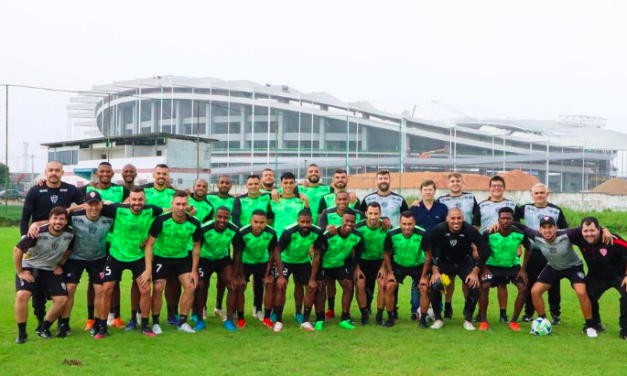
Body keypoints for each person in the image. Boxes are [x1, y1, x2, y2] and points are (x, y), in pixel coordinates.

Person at [513, 216, 609, 338]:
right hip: (553, 267)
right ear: (540, 229)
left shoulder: (567, 234)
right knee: (535, 291)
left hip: (573, 267)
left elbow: (588, 227)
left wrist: (604, 229)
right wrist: (500, 222)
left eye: (550, 227)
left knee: (581, 292)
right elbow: (522, 226)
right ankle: (543, 321)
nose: (547, 230)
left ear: (556, 228)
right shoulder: (536, 236)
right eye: (544, 227)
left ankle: (590, 326)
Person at [20, 161, 84, 333]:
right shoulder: (35, 190)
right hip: (38, 241)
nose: (54, 173)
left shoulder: (70, 189)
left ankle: (63, 323)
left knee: (64, 286)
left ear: (62, 173)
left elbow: (85, 204)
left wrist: (69, 210)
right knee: (37, 288)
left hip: (62, 243)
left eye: (57, 170)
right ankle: (41, 321)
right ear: (45, 172)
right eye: (51, 170)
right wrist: (25, 239)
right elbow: (25, 216)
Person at [98, 187, 164, 338]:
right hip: (116, 256)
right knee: (106, 289)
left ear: (145, 200)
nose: (137, 203)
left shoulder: (151, 210)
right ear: (129, 200)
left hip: (138, 257)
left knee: (146, 289)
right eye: (134, 199)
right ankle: (102, 327)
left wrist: (149, 237)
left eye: (140, 199)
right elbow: (94, 206)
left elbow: (168, 210)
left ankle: (145, 326)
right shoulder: (117, 209)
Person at [79, 162, 130, 331]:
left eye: (108, 171)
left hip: (116, 242)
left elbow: (137, 200)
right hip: (95, 241)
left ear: (113, 173)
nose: (105, 174)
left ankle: (116, 316)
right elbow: (67, 197)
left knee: (113, 283)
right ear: (97, 173)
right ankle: (90, 319)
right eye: (102, 171)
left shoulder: (121, 190)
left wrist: (171, 187)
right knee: (94, 281)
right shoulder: (87, 189)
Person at [14, 206, 74, 343]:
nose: (58, 222)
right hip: (30, 267)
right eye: (55, 218)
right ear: (50, 219)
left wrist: (60, 264)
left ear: (66, 221)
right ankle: (22, 334)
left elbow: (68, 250)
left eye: (61, 219)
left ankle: (44, 328)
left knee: (62, 299)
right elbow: (17, 250)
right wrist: (20, 272)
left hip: (49, 269)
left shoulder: (69, 234)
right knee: (22, 295)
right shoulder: (38, 232)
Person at [146, 191, 202, 334]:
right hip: (161, 257)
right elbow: (150, 244)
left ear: (188, 205)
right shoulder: (161, 220)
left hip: (181, 258)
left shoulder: (194, 223)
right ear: (172, 204)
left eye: (184, 204)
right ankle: (156, 322)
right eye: (178, 204)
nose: (181, 207)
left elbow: (196, 246)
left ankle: (182, 322)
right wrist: (148, 268)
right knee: (158, 288)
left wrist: (194, 270)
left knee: (190, 287)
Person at [60, 192, 115, 337]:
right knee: (70, 289)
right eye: (90, 204)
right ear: (85, 205)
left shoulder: (109, 219)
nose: (94, 207)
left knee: (101, 290)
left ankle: (98, 323)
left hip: (98, 258)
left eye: (97, 203)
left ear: (102, 204)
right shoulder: (74, 217)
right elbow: (55, 219)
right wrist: (34, 225)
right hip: (75, 258)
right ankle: (64, 324)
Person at [429, 208, 490, 331]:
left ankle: (468, 320)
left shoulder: (469, 229)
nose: (456, 221)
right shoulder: (439, 229)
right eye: (453, 218)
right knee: (434, 285)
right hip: (444, 261)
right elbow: (427, 250)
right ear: (447, 219)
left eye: (458, 218)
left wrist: (475, 271)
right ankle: (438, 319)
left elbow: (486, 250)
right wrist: (435, 271)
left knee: (474, 285)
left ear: (462, 218)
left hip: (463, 261)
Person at [515, 183, 567, 324]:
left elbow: (564, 231)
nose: (539, 195)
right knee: (530, 282)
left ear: (547, 194)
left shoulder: (556, 211)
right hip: (533, 252)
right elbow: (511, 222)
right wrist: (519, 244)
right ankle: (529, 313)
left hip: (552, 252)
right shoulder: (524, 209)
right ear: (532, 194)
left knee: (554, 283)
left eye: (541, 193)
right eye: (536, 193)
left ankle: (555, 314)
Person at [435, 172, 480, 319]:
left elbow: (476, 223)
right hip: (447, 244)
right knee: (449, 278)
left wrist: (474, 245)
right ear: (448, 184)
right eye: (452, 181)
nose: (455, 183)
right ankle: (448, 306)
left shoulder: (470, 198)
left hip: (466, 243)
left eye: (458, 181)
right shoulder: (441, 200)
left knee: (467, 279)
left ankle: (468, 308)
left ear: (462, 183)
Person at [272, 210, 325, 332]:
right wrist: (280, 276)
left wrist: (312, 279)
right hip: (286, 260)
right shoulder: (289, 232)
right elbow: (277, 252)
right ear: (298, 221)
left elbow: (317, 255)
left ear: (312, 221)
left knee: (312, 287)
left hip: (302, 261)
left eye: (308, 222)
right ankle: (279, 321)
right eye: (302, 222)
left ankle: (305, 321)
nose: (305, 224)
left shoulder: (317, 232)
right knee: (280, 287)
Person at [479, 207, 531, 331]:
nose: (506, 221)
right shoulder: (489, 233)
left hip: (512, 266)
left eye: (508, 218)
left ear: (512, 219)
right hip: (492, 266)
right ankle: (483, 321)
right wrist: (484, 267)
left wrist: (523, 269)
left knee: (524, 288)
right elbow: (481, 248)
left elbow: (529, 249)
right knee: (484, 286)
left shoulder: (519, 233)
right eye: (503, 218)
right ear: (499, 220)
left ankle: (513, 321)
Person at [475, 176, 517, 323]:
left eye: (499, 185)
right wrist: (475, 246)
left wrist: (517, 247)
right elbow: (476, 227)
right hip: (486, 250)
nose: (496, 188)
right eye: (494, 186)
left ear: (504, 187)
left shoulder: (512, 204)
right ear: (489, 188)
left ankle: (503, 314)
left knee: (502, 283)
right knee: (483, 283)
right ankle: (481, 313)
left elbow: (516, 226)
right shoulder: (481, 205)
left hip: (505, 250)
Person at [194, 206, 244, 332]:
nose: (222, 220)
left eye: (226, 217)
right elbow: (195, 247)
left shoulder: (234, 230)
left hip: (223, 259)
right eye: (220, 217)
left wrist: (236, 271)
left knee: (233, 285)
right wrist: (194, 268)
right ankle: (199, 319)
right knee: (200, 286)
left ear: (229, 218)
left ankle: (229, 320)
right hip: (204, 260)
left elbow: (238, 251)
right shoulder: (204, 228)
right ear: (215, 216)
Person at [576, 217, 627, 338]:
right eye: (586, 231)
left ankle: (625, 330)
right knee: (586, 294)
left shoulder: (613, 240)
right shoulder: (579, 238)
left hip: (619, 275)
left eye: (593, 230)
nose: (589, 234)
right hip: (597, 277)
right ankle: (595, 324)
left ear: (599, 229)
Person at [141, 164, 180, 326]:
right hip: (146, 243)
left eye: (164, 173)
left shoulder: (174, 193)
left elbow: (182, 210)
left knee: (172, 281)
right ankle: (138, 314)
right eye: (159, 173)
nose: (161, 176)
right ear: (153, 174)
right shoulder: (145, 192)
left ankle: (172, 313)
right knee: (142, 281)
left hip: (168, 245)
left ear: (168, 176)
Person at [269, 172, 308, 323]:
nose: (288, 186)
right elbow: (267, 221)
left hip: (298, 248)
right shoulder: (273, 200)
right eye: (285, 183)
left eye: (291, 183)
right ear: (281, 183)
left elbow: (308, 221)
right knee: (278, 283)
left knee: (299, 283)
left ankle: (298, 312)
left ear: (294, 184)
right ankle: (275, 312)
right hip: (280, 249)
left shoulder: (301, 201)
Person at [382, 211, 431, 328]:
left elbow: (428, 256)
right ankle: (390, 318)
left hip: (418, 265)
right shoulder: (392, 234)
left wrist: (424, 276)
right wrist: (390, 272)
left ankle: (423, 320)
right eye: (404, 224)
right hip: (399, 264)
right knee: (389, 286)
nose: (407, 227)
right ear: (399, 223)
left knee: (424, 288)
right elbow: (386, 253)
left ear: (414, 223)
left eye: (410, 224)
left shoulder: (423, 234)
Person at [316, 212, 364, 330]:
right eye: (347, 221)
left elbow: (357, 255)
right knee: (321, 288)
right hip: (324, 265)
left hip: (339, 265)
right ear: (342, 220)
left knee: (348, 286)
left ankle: (344, 318)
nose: (349, 224)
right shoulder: (330, 234)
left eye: (352, 222)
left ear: (355, 222)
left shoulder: (357, 236)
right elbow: (318, 253)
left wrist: (352, 270)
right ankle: (319, 319)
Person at [409, 179, 447, 321]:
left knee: (437, 280)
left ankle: (438, 308)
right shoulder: (415, 208)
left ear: (434, 191)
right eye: (425, 189)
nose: (428, 192)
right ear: (421, 191)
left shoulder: (442, 208)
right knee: (417, 281)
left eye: (430, 189)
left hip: (438, 250)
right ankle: (415, 310)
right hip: (419, 251)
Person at [236, 210, 277, 329]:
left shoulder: (271, 233)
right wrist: (240, 275)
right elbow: (238, 254)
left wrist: (268, 272)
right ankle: (241, 319)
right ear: (251, 221)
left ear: (266, 222)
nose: (258, 225)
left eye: (261, 222)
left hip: (262, 262)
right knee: (240, 286)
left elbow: (272, 253)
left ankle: (267, 318)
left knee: (269, 284)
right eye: (256, 222)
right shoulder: (242, 232)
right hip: (245, 262)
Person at [205, 175, 235, 320]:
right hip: (208, 243)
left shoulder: (234, 200)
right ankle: (202, 309)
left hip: (224, 245)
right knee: (203, 282)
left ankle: (218, 307)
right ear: (217, 184)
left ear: (230, 185)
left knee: (223, 281)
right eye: (222, 182)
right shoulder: (209, 197)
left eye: (227, 182)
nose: (224, 184)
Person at [355, 202, 390, 325]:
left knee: (382, 284)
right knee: (360, 285)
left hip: (381, 261)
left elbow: (389, 251)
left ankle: (379, 316)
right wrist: (357, 268)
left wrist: (384, 267)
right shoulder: (358, 228)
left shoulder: (387, 228)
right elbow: (353, 250)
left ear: (380, 214)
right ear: (365, 214)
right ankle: (364, 315)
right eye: (370, 213)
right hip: (362, 261)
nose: (373, 216)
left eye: (376, 213)